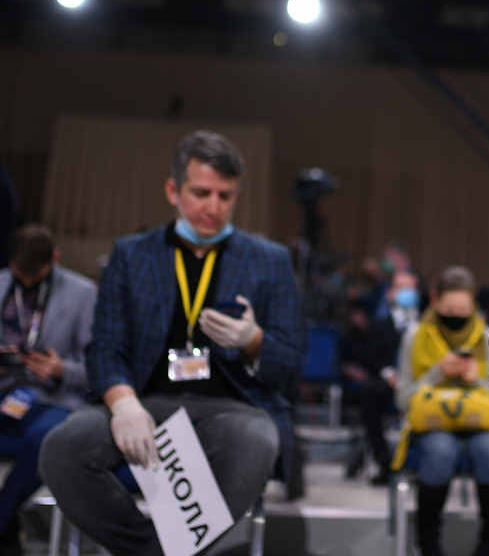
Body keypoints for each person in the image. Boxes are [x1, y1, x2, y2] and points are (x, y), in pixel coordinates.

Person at [39, 130, 303, 556]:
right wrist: (123, 404)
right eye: (201, 193)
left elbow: (290, 363)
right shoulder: (132, 254)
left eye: (225, 196)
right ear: (172, 190)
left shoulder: (268, 261)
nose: (213, 207)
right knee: (63, 448)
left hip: (231, 407)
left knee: (257, 441)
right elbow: (105, 346)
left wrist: (254, 341)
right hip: (144, 398)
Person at [395, 266, 489, 556]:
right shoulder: (415, 337)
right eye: (449, 310)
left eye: (463, 310)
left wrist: (476, 379)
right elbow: (403, 400)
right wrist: (438, 373)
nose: (456, 316)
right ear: (434, 300)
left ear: (474, 306)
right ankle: (429, 544)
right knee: (440, 450)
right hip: (432, 424)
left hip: (479, 422)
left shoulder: (487, 338)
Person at [0, 224, 94, 556]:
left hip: (51, 397)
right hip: (6, 391)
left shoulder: (82, 293)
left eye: (34, 276)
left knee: (45, 440)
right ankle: (6, 534)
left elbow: (96, 364)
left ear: (54, 258)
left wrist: (61, 369)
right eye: (20, 275)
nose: (26, 283)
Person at [343, 269, 420, 485]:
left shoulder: (427, 327)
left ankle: (417, 463)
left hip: (419, 384)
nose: (406, 293)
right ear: (390, 293)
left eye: (410, 288)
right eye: (401, 288)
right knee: (369, 394)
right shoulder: (378, 326)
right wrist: (389, 374)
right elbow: (371, 357)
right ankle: (385, 461)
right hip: (388, 384)